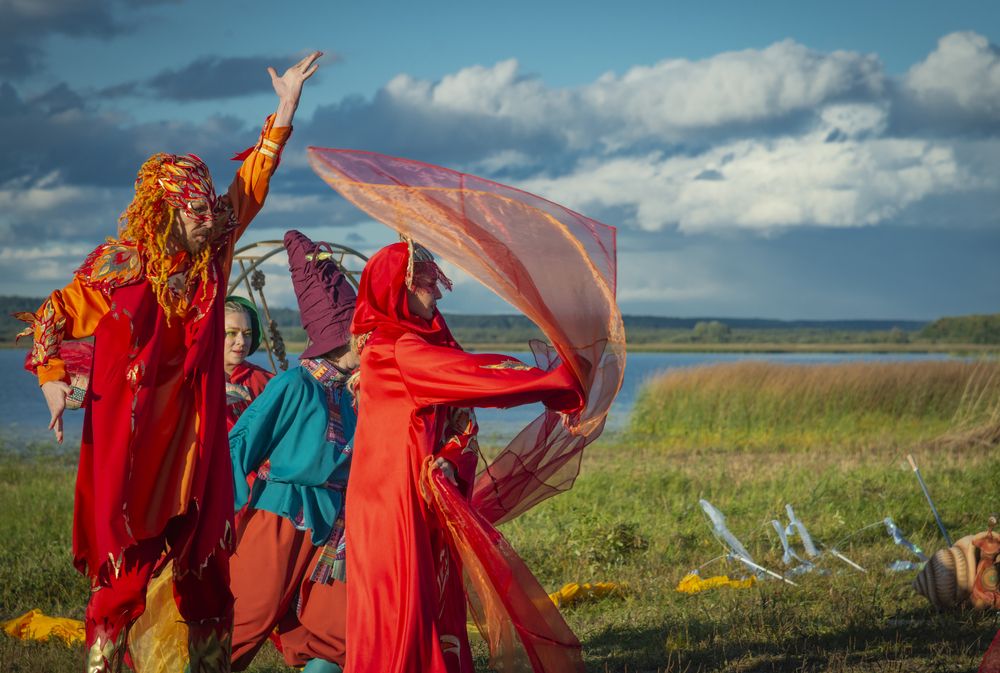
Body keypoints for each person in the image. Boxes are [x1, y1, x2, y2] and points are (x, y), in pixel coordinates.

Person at [15, 52, 322, 673]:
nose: (209, 219)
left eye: (211, 208)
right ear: (164, 212)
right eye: (195, 210)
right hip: (138, 452)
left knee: (208, 582)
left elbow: (251, 185)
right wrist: (52, 383)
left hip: (198, 447)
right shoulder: (120, 265)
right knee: (122, 584)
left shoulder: (214, 251)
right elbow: (53, 318)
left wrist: (285, 111)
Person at [344, 240, 585, 673]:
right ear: (399, 291)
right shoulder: (394, 351)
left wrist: (452, 458)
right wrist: (559, 381)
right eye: (429, 284)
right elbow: (476, 377)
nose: (437, 294)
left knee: (432, 600)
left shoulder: (416, 344)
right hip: (391, 503)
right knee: (404, 609)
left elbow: (462, 420)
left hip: (418, 495)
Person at [227, 230, 358, 673]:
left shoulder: (358, 393)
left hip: (335, 529)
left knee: (328, 635)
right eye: (365, 334)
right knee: (245, 621)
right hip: (280, 517)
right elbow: (242, 441)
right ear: (343, 336)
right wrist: (216, 517)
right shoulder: (293, 384)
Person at [223, 296, 273, 430]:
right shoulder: (196, 381)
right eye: (232, 333)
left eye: (247, 334)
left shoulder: (266, 382)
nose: (242, 342)